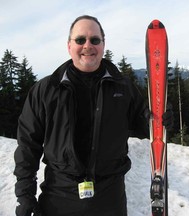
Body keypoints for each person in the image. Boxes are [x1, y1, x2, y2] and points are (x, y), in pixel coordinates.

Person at [14, 15, 173, 216]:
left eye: (94, 40)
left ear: (103, 44)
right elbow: (28, 145)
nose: (88, 45)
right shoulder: (46, 89)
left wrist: (161, 120)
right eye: (80, 40)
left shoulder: (123, 88)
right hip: (59, 198)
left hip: (109, 198)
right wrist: (25, 195)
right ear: (69, 45)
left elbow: (144, 127)